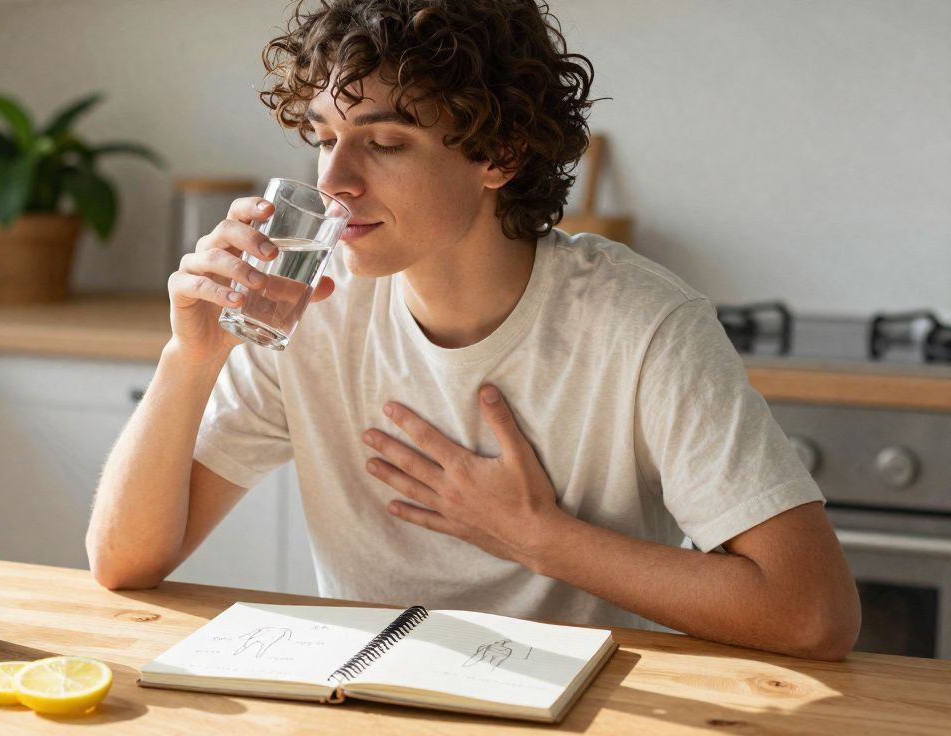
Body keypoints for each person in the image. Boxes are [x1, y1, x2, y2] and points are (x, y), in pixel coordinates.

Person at [86, 0, 860, 660]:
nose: (333, 183)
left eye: (385, 143)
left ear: (498, 153)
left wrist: (537, 536)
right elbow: (124, 562)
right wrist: (189, 358)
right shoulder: (311, 308)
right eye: (325, 136)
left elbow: (813, 612)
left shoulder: (643, 324)